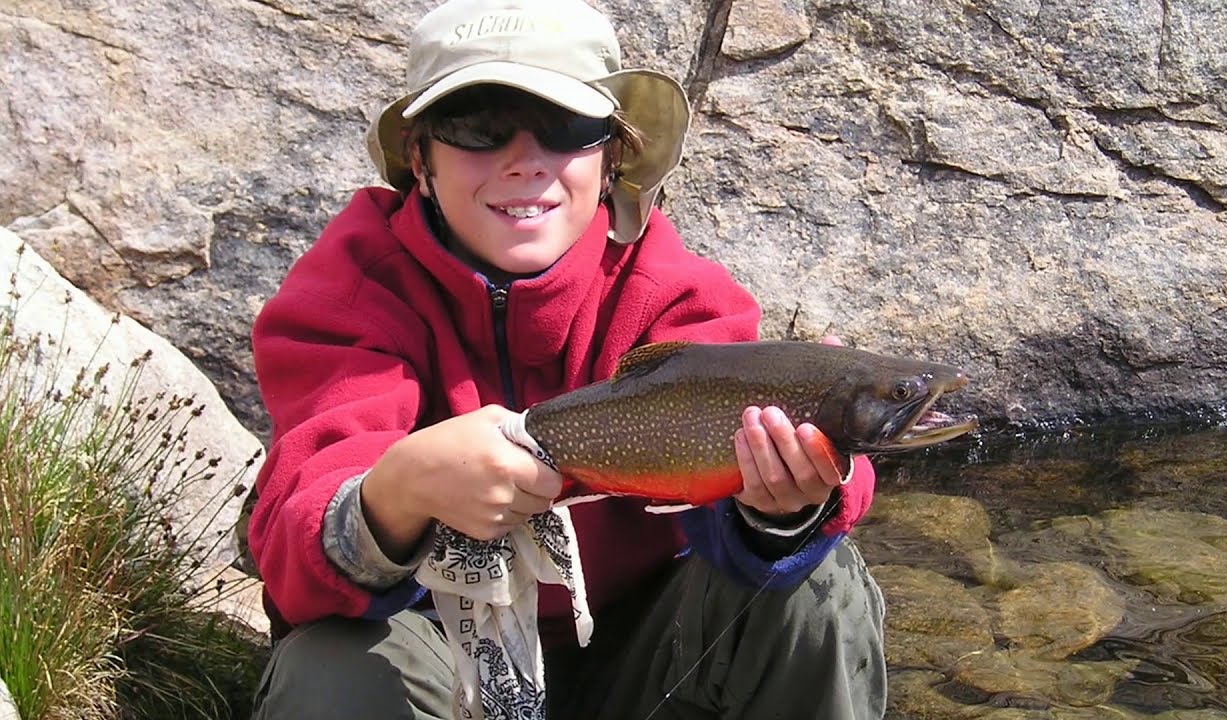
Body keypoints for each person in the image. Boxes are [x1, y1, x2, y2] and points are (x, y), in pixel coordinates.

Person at [246, 0, 887, 717]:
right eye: (479, 127)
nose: (524, 162)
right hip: (437, 655)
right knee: (330, 666)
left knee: (816, 585)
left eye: (564, 129)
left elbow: (758, 525)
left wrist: (780, 511)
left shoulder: (675, 293)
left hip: (643, 659)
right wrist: (398, 491)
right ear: (420, 160)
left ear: (612, 156)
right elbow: (292, 546)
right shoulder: (354, 291)